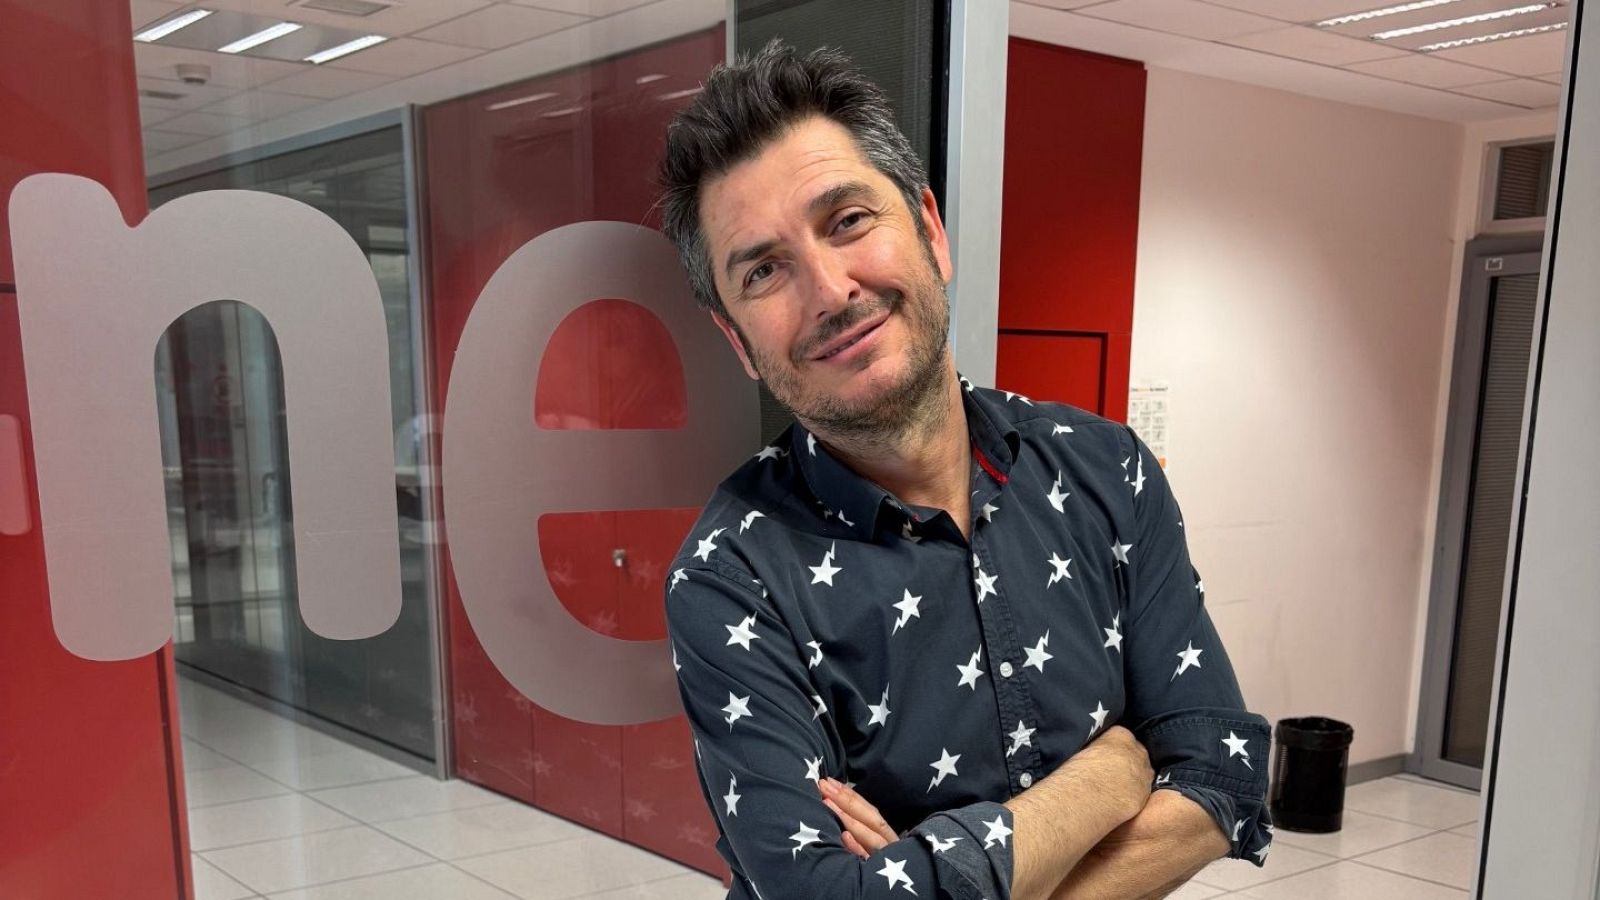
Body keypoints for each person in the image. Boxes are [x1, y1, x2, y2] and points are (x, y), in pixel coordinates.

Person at [657, 41, 1272, 900]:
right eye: (764, 270)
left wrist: (931, 867)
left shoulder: (1105, 471)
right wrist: (1113, 774)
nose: (830, 289)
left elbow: (1226, 777)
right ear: (738, 343)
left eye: (848, 221)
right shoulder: (732, 578)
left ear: (931, 233)